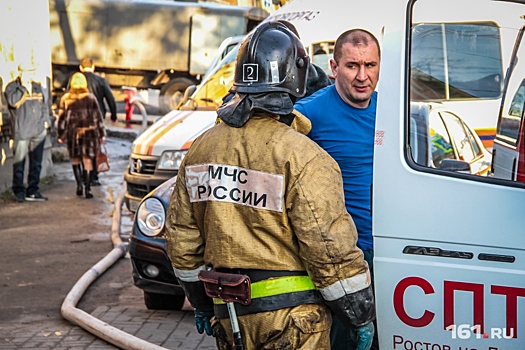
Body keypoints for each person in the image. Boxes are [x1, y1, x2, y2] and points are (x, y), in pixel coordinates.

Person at [165, 20, 375, 350]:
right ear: (297, 78)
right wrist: (359, 316)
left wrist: (201, 302)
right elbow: (329, 249)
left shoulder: (201, 149)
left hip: (230, 318)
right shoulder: (305, 157)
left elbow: (181, 239)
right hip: (294, 325)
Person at [294, 28, 381, 350]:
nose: (362, 76)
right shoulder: (307, 114)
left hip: (389, 250)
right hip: (341, 257)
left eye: (370, 65)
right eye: (352, 66)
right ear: (334, 67)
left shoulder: (393, 114)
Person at [5, 62, 51, 202]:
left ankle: (33, 190)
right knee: (19, 162)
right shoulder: (13, 88)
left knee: (36, 163)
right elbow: (13, 102)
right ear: (21, 73)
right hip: (22, 130)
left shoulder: (37, 87)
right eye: (28, 72)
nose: (31, 75)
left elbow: (44, 105)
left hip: (38, 130)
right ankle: (18, 190)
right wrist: (24, 88)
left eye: (32, 72)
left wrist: (46, 121)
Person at [57, 72, 106, 199]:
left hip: (73, 133)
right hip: (89, 133)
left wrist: (61, 134)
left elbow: (61, 118)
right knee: (87, 160)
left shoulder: (66, 98)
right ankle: (88, 189)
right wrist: (101, 133)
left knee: (75, 159)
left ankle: (79, 185)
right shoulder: (90, 98)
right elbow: (97, 117)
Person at [78, 57, 116, 186]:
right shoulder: (100, 81)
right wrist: (114, 115)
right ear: (93, 67)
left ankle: (84, 176)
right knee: (95, 146)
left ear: (80, 68)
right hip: (96, 119)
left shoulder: (76, 80)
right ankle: (93, 176)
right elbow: (110, 98)